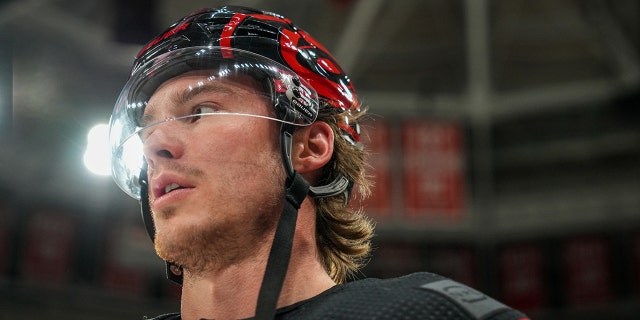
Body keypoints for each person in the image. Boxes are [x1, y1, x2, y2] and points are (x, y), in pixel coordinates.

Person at [109, 5, 530, 320]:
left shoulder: (422, 314)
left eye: (200, 111)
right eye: (146, 130)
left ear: (308, 148)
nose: (154, 145)